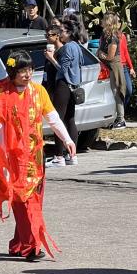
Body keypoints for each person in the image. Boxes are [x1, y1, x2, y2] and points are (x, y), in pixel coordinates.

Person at [0, 48, 76, 261]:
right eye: (22, 70)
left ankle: (19, 243)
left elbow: (53, 118)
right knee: (22, 201)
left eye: (29, 69)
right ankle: (32, 246)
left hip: (35, 158)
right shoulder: (2, 97)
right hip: (14, 160)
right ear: (12, 72)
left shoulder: (39, 91)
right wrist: (2, 163)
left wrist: (67, 140)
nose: (27, 74)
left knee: (33, 201)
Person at [46, 20, 81, 167]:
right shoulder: (77, 47)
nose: (61, 34)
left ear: (69, 33)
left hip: (64, 84)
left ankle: (58, 156)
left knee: (58, 120)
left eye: (63, 31)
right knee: (70, 119)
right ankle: (72, 155)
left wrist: (51, 58)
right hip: (74, 85)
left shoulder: (67, 48)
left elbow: (62, 69)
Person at [97, 13, 127, 129]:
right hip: (107, 66)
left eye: (104, 20)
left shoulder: (113, 37)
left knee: (116, 91)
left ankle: (121, 118)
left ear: (108, 22)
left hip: (114, 66)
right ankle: (114, 117)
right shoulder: (105, 35)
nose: (101, 21)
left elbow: (110, 56)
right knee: (110, 92)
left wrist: (100, 54)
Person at [119, 28, 136, 111]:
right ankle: (119, 114)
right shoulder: (107, 36)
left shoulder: (122, 36)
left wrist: (131, 67)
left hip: (124, 66)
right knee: (118, 92)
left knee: (129, 90)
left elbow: (125, 52)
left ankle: (122, 112)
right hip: (114, 67)